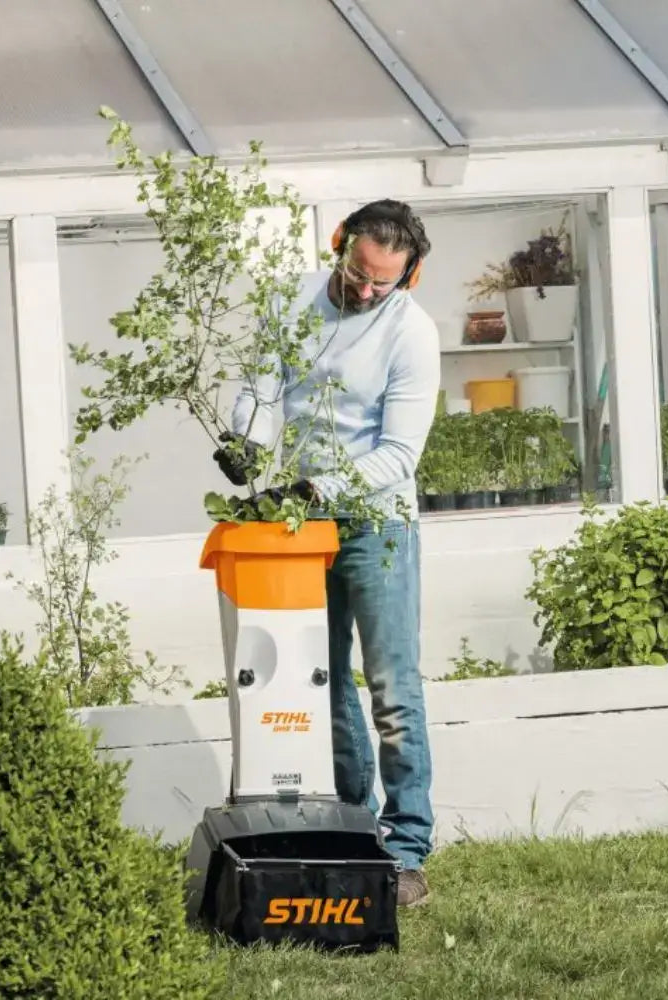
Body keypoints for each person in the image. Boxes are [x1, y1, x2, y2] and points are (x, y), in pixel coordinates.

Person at [212, 199, 440, 907]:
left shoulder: (412, 332)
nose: (367, 292)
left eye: (385, 283)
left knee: (393, 690)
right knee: (328, 679)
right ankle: (358, 828)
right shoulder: (290, 300)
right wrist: (244, 437)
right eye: (359, 273)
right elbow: (262, 389)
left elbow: (399, 454)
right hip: (305, 525)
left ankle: (405, 850)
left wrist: (320, 485)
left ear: (409, 276)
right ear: (339, 243)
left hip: (377, 526)